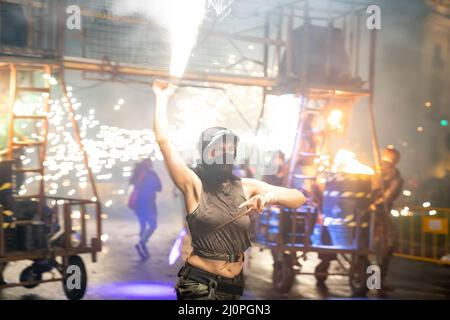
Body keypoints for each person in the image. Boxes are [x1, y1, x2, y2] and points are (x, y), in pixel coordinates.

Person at [152, 79, 306, 300]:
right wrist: (161, 97)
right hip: (199, 285)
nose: (226, 154)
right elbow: (163, 141)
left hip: (233, 285)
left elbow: (298, 198)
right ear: (206, 153)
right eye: (218, 149)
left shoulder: (246, 186)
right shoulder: (194, 184)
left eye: (230, 149)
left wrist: (268, 197)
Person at [370, 146, 403, 293]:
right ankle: (375, 282)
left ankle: (377, 281)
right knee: (381, 247)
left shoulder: (395, 177)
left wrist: (377, 203)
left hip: (379, 214)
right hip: (371, 214)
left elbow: (388, 196)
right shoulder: (372, 170)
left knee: (385, 245)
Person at [129, 158, 162, 259]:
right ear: (149, 164)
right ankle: (142, 243)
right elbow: (159, 188)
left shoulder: (136, 173)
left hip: (138, 204)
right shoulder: (151, 174)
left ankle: (143, 249)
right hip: (149, 203)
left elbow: (132, 183)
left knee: (143, 226)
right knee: (153, 225)